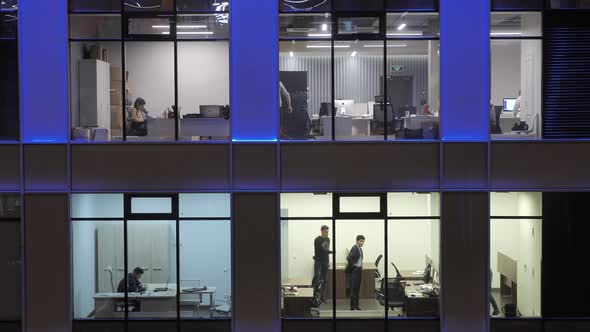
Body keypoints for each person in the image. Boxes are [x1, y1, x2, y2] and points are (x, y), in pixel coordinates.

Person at [313, 225, 332, 303]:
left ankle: (322, 298)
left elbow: (326, 249)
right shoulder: (317, 239)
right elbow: (321, 250)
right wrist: (330, 251)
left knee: (325, 280)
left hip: (325, 261)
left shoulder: (328, 239)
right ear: (321, 231)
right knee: (317, 278)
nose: (327, 233)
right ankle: (314, 297)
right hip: (318, 261)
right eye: (325, 232)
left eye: (328, 232)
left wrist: (328, 252)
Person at [346, 235, 365, 310]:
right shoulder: (355, 248)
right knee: (353, 289)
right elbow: (348, 257)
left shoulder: (359, 248)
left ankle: (356, 305)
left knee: (357, 289)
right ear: (357, 241)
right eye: (360, 241)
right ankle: (352, 306)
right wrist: (353, 266)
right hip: (355, 270)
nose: (362, 242)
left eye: (363, 241)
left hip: (359, 270)